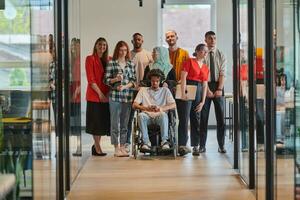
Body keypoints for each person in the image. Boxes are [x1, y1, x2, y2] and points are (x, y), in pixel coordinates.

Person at [105, 41, 136, 157]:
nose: (123, 52)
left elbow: (133, 81)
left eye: (125, 50)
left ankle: (123, 146)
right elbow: (106, 80)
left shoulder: (131, 64)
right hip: (114, 97)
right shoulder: (111, 63)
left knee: (125, 123)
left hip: (127, 97)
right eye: (121, 50)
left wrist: (124, 87)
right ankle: (116, 147)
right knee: (114, 123)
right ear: (117, 50)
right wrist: (115, 80)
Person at [177, 44, 209, 156]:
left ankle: (196, 145)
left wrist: (203, 101)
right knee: (184, 118)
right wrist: (183, 92)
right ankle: (182, 145)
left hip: (199, 91)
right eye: (203, 51)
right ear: (198, 51)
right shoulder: (189, 61)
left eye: (206, 52)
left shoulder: (205, 67)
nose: (205, 54)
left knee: (196, 118)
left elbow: (205, 85)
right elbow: (183, 77)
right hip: (188, 88)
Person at [133, 69, 176, 151]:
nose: (155, 83)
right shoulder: (143, 90)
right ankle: (146, 142)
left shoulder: (165, 91)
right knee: (140, 115)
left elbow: (173, 105)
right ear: (150, 80)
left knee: (164, 115)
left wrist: (161, 108)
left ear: (160, 81)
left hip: (160, 116)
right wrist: (146, 108)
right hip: (146, 116)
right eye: (153, 81)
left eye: (157, 81)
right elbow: (134, 104)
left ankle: (164, 142)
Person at [200, 31, 227, 153]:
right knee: (203, 117)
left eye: (214, 38)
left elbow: (222, 73)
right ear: (205, 40)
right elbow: (201, 74)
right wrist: (208, 90)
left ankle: (221, 146)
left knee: (221, 118)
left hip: (218, 85)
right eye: (210, 38)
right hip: (205, 85)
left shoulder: (221, 54)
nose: (212, 40)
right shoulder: (202, 54)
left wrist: (219, 89)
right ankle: (202, 146)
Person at [125, 33, 153, 152]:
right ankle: (126, 142)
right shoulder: (128, 55)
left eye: (139, 39)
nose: (137, 41)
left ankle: (145, 142)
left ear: (142, 41)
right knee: (129, 118)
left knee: (144, 116)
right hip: (130, 90)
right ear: (132, 41)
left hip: (144, 91)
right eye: (135, 39)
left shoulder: (148, 55)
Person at [85, 37, 110, 156]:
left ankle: (95, 146)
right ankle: (98, 147)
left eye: (104, 45)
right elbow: (91, 79)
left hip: (106, 96)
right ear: (95, 45)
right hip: (94, 96)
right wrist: (100, 94)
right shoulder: (90, 59)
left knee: (100, 123)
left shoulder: (109, 60)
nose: (102, 47)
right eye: (100, 44)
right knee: (95, 123)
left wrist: (107, 94)